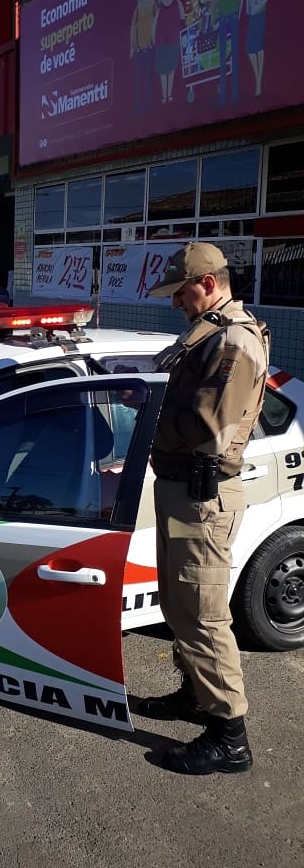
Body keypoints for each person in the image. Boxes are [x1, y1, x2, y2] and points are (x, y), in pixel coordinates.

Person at [139, 242, 269, 775]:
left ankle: (229, 734)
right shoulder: (210, 332)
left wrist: (142, 419)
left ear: (210, 282)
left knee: (205, 617)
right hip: (183, 492)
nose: (176, 304)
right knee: (178, 605)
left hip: (203, 498)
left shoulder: (233, 342)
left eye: (182, 293)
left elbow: (207, 430)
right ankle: (196, 695)